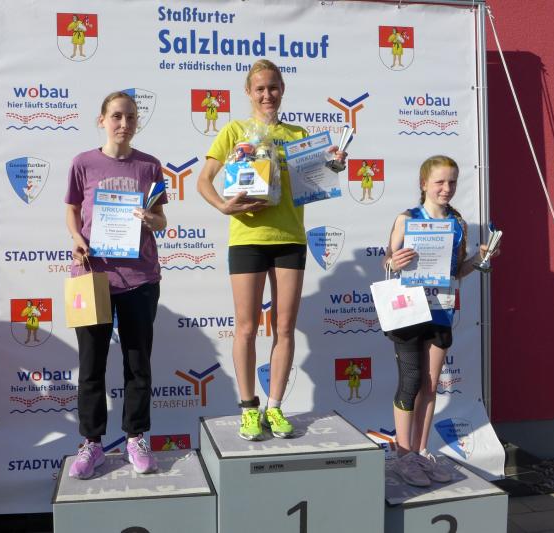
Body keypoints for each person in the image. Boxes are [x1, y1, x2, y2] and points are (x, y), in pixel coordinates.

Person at [196, 59, 346, 441]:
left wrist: (333, 167)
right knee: (246, 328)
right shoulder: (234, 131)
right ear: (248, 92)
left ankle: (275, 406)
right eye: (260, 88)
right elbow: (203, 180)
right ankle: (249, 408)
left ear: (282, 90)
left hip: (290, 239)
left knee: (284, 327)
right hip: (247, 238)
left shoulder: (298, 134)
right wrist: (223, 206)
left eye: (273, 87)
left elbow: (315, 182)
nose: (267, 95)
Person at [65, 91, 167, 479]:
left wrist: (151, 220)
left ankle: (136, 438)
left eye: (130, 117)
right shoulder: (82, 163)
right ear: (102, 120)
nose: (124, 124)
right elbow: (72, 209)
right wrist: (77, 238)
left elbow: (161, 219)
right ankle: (91, 443)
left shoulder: (149, 166)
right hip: (93, 277)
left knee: (137, 364)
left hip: (140, 278)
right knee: (91, 365)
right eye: (117, 116)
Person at [383, 155, 498, 486]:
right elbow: (387, 263)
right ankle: (403, 456)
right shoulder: (407, 219)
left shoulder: (457, 224)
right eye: (439, 182)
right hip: (408, 311)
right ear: (424, 184)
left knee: (430, 385)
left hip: (440, 311)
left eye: (452, 182)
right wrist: (394, 262)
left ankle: (420, 452)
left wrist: (479, 258)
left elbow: (457, 271)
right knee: (410, 381)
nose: (446, 188)